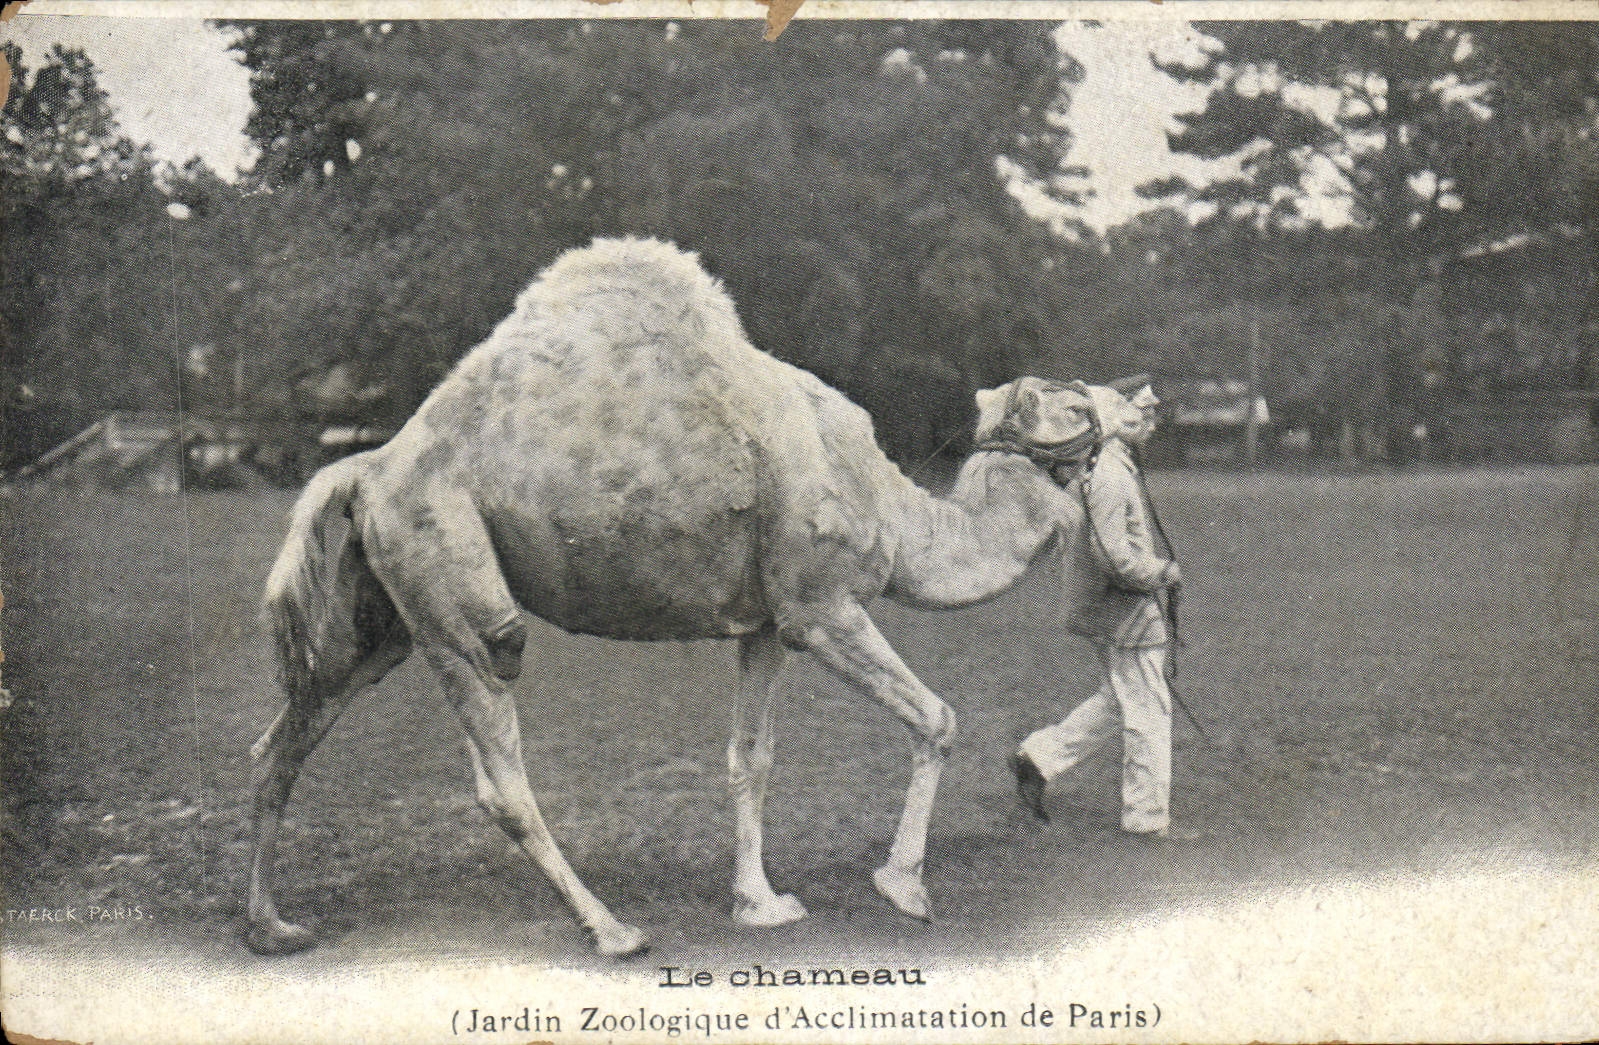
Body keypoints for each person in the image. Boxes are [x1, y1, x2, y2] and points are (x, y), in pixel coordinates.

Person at [1012, 374, 1181, 836]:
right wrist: (1161, 573)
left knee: (1120, 700)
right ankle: (1147, 820)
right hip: (1125, 611)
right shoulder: (1109, 474)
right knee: (1148, 709)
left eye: (1153, 413)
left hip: (1111, 610)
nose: (1152, 422)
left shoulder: (1109, 466)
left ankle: (1037, 758)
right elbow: (1115, 558)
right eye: (1144, 412)